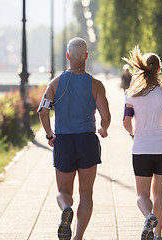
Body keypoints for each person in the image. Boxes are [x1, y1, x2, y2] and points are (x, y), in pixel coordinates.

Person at [38, 37, 111, 240]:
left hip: (64, 141)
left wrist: (50, 135)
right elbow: (106, 117)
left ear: (68, 56)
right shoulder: (96, 85)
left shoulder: (55, 83)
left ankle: (66, 208)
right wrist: (103, 128)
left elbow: (43, 112)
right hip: (87, 141)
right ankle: (78, 237)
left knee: (63, 191)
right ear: (86, 56)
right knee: (86, 193)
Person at [122, 46, 162, 240]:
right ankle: (157, 235)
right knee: (160, 193)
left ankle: (149, 216)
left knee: (142, 194)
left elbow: (126, 122)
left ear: (142, 69)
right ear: (159, 68)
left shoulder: (132, 95)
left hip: (141, 149)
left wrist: (133, 135)